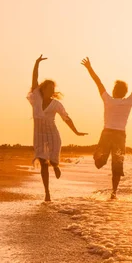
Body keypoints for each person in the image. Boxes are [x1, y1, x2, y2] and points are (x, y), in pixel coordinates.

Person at [81, 56, 132, 199]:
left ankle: (97, 157)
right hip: (120, 136)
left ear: (115, 90)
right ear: (125, 92)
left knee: (101, 163)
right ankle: (114, 192)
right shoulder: (128, 101)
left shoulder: (108, 99)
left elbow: (98, 82)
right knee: (117, 165)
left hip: (108, 133)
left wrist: (89, 67)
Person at [28, 55, 87, 201]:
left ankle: (56, 165)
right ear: (43, 89)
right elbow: (34, 79)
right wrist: (36, 63)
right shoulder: (36, 97)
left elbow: (66, 118)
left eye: (52, 89)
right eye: (48, 88)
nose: (51, 90)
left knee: (52, 161)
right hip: (39, 135)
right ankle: (47, 192)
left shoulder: (56, 104)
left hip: (53, 134)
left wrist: (76, 131)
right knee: (43, 163)